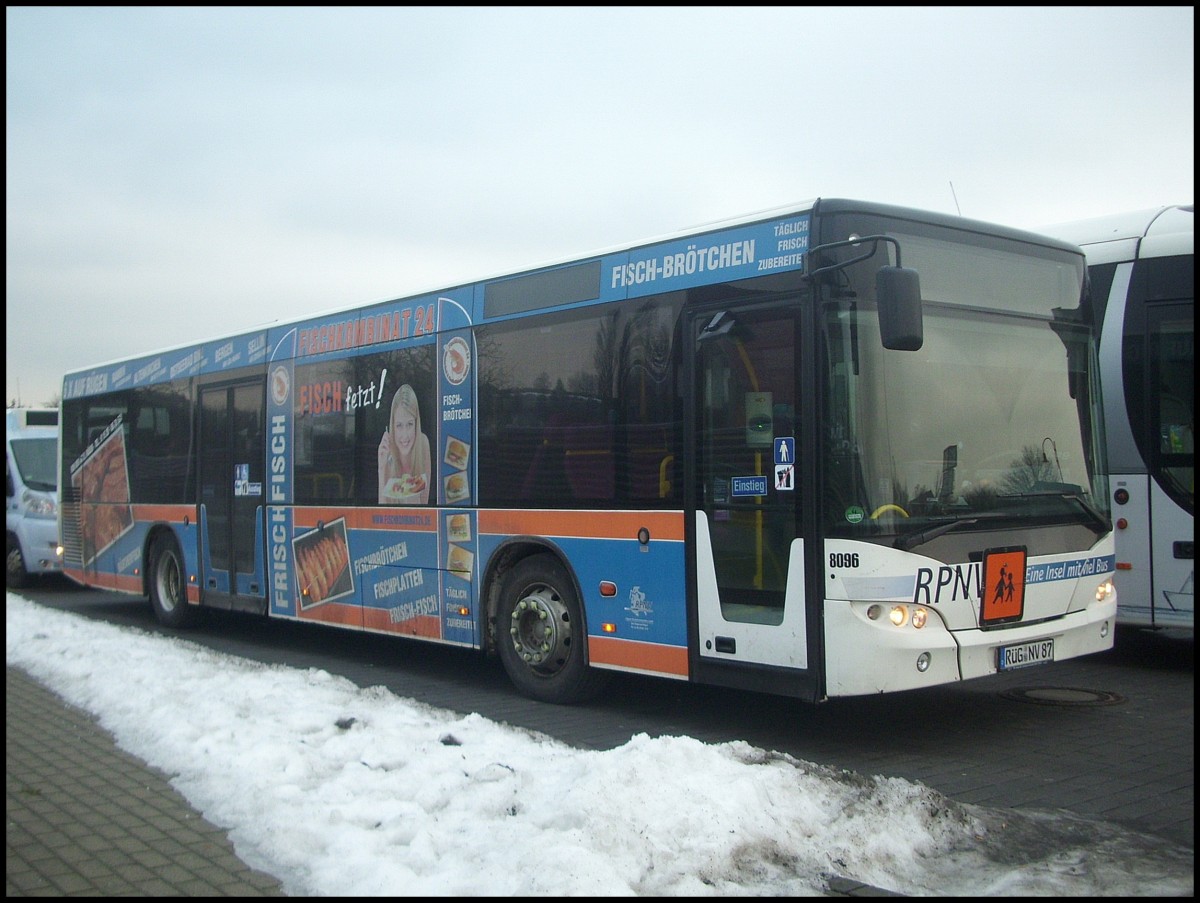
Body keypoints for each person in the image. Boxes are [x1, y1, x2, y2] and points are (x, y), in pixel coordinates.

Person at [378, 384, 431, 504]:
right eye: (399, 425)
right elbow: (380, 512)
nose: (405, 435)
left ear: (416, 425)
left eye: (410, 424)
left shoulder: (423, 443)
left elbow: (426, 506)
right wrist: (382, 469)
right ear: (392, 426)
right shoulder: (385, 450)